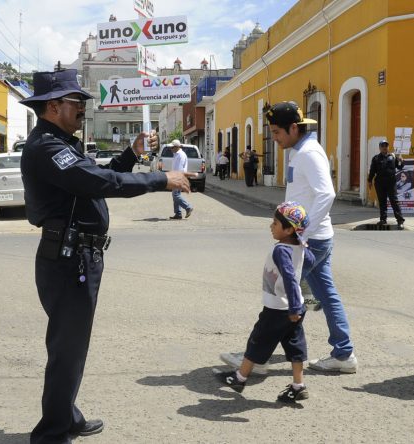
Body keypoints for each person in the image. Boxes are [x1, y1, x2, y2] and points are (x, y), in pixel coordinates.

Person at [19, 69, 192, 444]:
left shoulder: (62, 144)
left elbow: (99, 178)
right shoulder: (47, 148)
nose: (83, 109)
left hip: (76, 256)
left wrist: (131, 155)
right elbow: (100, 183)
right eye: (76, 103)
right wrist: (161, 180)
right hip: (67, 259)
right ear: (53, 106)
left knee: (71, 346)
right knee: (67, 349)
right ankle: (50, 434)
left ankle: (67, 416)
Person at [221, 101, 358, 374]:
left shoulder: (308, 153)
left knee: (280, 297)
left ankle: (256, 360)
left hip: (311, 240)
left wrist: (301, 234)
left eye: (276, 132)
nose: (274, 138)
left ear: (293, 128)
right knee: (322, 296)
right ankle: (343, 355)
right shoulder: (301, 151)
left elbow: (327, 194)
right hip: (316, 238)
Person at [216, 201, 315, 403]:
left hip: (278, 308)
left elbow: (288, 276)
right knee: (295, 346)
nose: (271, 226)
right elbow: (311, 261)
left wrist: (293, 305)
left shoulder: (281, 250)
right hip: (294, 308)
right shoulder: (300, 245)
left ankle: (239, 378)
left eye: (275, 223)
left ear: (288, 229)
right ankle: (298, 386)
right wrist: (297, 303)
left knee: (257, 341)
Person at [367, 140, 405, 229]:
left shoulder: (393, 157)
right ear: (380, 148)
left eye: (386, 146)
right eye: (383, 146)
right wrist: (369, 181)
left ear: (388, 147)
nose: (385, 147)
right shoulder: (376, 158)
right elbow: (372, 171)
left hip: (391, 182)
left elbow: (399, 167)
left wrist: (401, 161)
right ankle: (383, 219)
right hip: (380, 183)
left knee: (394, 201)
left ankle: (400, 221)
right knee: (382, 201)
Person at [168, 139, 193, 220]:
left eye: (172, 147)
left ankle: (188, 207)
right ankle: (178, 214)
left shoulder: (181, 155)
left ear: (176, 147)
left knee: (175, 195)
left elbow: (180, 168)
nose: (170, 149)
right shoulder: (176, 154)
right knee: (176, 195)